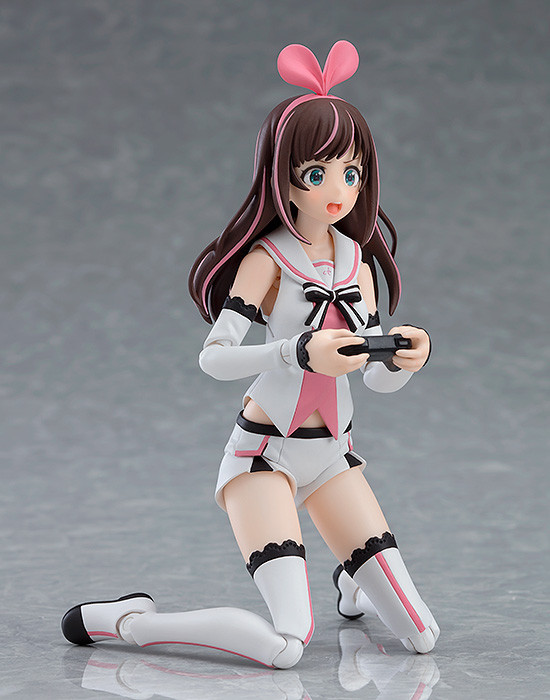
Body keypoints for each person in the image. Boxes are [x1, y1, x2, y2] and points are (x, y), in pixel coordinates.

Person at [62, 41, 439, 669]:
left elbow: (373, 381)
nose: (338, 190)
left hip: (333, 456)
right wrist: (296, 352)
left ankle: (353, 582)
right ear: (282, 176)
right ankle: (126, 620)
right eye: (317, 174)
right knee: (287, 644)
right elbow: (214, 358)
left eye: (351, 173)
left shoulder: (358, 263)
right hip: (263, 456)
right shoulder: (267, 260)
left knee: (423, 636)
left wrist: (401, 361)